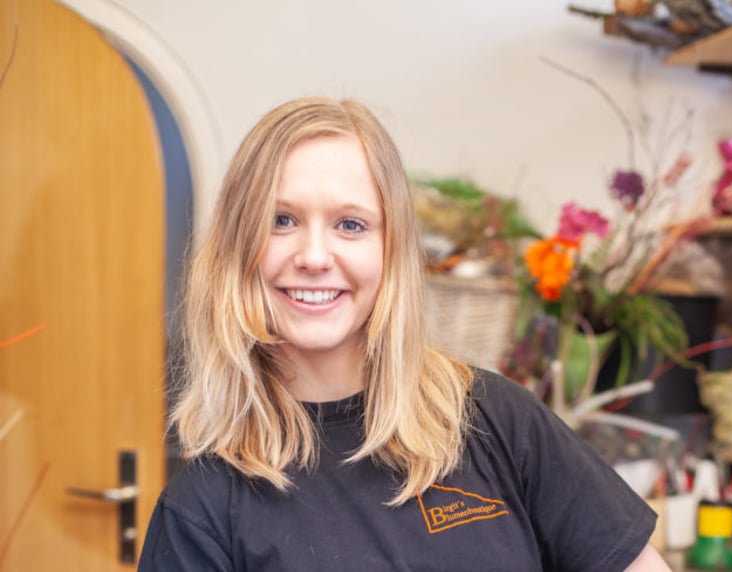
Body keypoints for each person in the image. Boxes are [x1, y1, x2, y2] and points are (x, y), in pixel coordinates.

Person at [139, 96, 671, 571]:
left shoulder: (497, 421)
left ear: (391, 251)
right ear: (236, 250)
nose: (314, 257)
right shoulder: (202, 511)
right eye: (281, 220)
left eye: (350, 225)